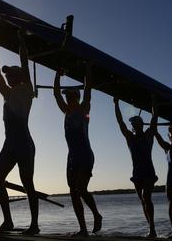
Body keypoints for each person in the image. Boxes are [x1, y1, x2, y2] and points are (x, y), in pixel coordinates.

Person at [0, 29, 39, 235]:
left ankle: (34, 225)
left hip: (24, 144)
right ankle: (8, 221)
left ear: (18, 76)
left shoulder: (27, 89)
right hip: (10, 144)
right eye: (7, 74)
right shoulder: (6, 94)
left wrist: (22, 42)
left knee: (28, 184)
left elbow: (25, 64)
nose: (7, 76)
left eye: (10, 74)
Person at [52, 65, 102, 236]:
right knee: (73, 193)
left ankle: (97, 215)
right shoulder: (65, 111)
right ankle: (83, 229)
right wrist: (57, 75)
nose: (68, 99)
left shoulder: (83, 109)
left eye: (71, 96)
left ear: (76, 97)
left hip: (85, 155)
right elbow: (56, 94)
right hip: (72, 157)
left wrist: (88, 70)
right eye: (68, 97)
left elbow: (88, 89)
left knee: (81, 188)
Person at [113, 97, 159, 237]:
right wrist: (116, 104)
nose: (136, 126)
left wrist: (153, 102)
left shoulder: (148, 135)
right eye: (134, 124)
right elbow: (120, 123)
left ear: (141, 125)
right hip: (137, 173)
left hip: (149, 171)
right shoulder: (130, 138)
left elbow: (154, 118)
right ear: (133, 126)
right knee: (142, 201)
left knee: (146, 198)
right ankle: (151, 228)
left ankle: (152, 229)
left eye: (137, 124)